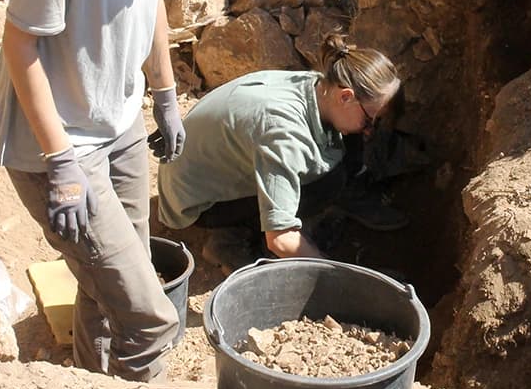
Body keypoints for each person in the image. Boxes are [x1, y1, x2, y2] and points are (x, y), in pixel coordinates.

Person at [0, 0, 266, 381]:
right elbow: (20, 46)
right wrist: (60, 162)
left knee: (110, 286)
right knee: (151, 316)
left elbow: (151, 5)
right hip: (60, 140)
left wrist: (164, 95)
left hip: (120, 125)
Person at [157, 34, 406, 273]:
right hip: (198, 201)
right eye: (371, 120)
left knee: (345, 141)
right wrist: (332, 271)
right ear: (346, 96)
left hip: (215, 164)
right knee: (325, 185)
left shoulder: (319, 85)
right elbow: (281, 239)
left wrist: (361, 127)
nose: (371, 131)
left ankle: (347, 192)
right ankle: (229, 241)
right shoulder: (284, 134)